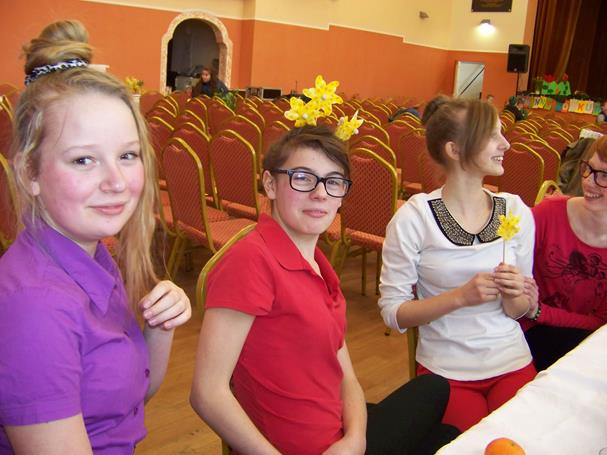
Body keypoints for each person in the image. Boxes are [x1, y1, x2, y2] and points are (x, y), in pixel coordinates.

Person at [190, 125, 459, 454]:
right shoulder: (250, 261)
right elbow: (207, 392)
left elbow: (346, 376)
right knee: (440, 418)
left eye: (333, 182)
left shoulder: (319, 264)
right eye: (303, 178)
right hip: (305, 447)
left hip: (335, 430)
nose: (320, 193)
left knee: (440, 411)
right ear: (270, 184)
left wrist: (355, 439)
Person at [0, 20, 191, 453]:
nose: (117, 182)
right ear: (29, 172)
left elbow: (125, 402)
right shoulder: (37, 307)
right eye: (84, 160)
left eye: (128, 155)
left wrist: (159, 328)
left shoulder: (89, 255)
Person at [379, 97, 537, 432]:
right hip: (445, 370)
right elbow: (394, 313)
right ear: (454, 150)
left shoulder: (515, 210)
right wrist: (459, 297)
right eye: (491, 135)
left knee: (523, 441)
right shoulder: (414, 218)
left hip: (511, 359)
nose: (505, 144)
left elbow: (519, 310)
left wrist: (515, 295)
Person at [523, 135, 607, 371]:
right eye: (588, 168)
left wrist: (539, 312)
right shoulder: (549, 214)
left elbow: (600, 323)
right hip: (525, 334)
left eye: (603, 176)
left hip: (580, 346)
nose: (588, 181)